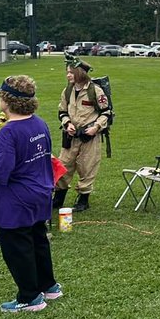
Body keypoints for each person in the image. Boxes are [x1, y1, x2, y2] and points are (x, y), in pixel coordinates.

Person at [0, 74, 62, 313]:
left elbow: (1, 171)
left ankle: (29, 297)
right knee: (37, 239)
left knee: (17, 247)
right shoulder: (39, 123)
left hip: (16, 198)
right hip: (40, 191)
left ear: (7, 101)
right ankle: (48, 285)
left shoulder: (9, 131)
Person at [54, 55, 110, 213]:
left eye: (71, 72)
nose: (68, 75)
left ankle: (83, 200)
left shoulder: (95, 91)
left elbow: (106, 113)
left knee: (87, 166)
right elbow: (62, 111)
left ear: (79, 73)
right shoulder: (68, 90)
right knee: (63, 166)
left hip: (89, 137)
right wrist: (67, 123)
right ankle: (58, 198)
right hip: (70, 137)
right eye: (67, 72)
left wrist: (96, 127)